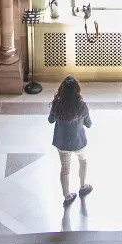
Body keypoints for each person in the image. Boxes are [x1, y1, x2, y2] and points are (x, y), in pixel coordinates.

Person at [47, 75, 93, 206]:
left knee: (65, 169)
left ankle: (67, 196)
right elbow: (89, 124)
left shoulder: (57, 104)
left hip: (62, 143)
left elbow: (50, 120)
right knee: (83, 161)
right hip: (79, 142)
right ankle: (83, 186)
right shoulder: (82, 106)